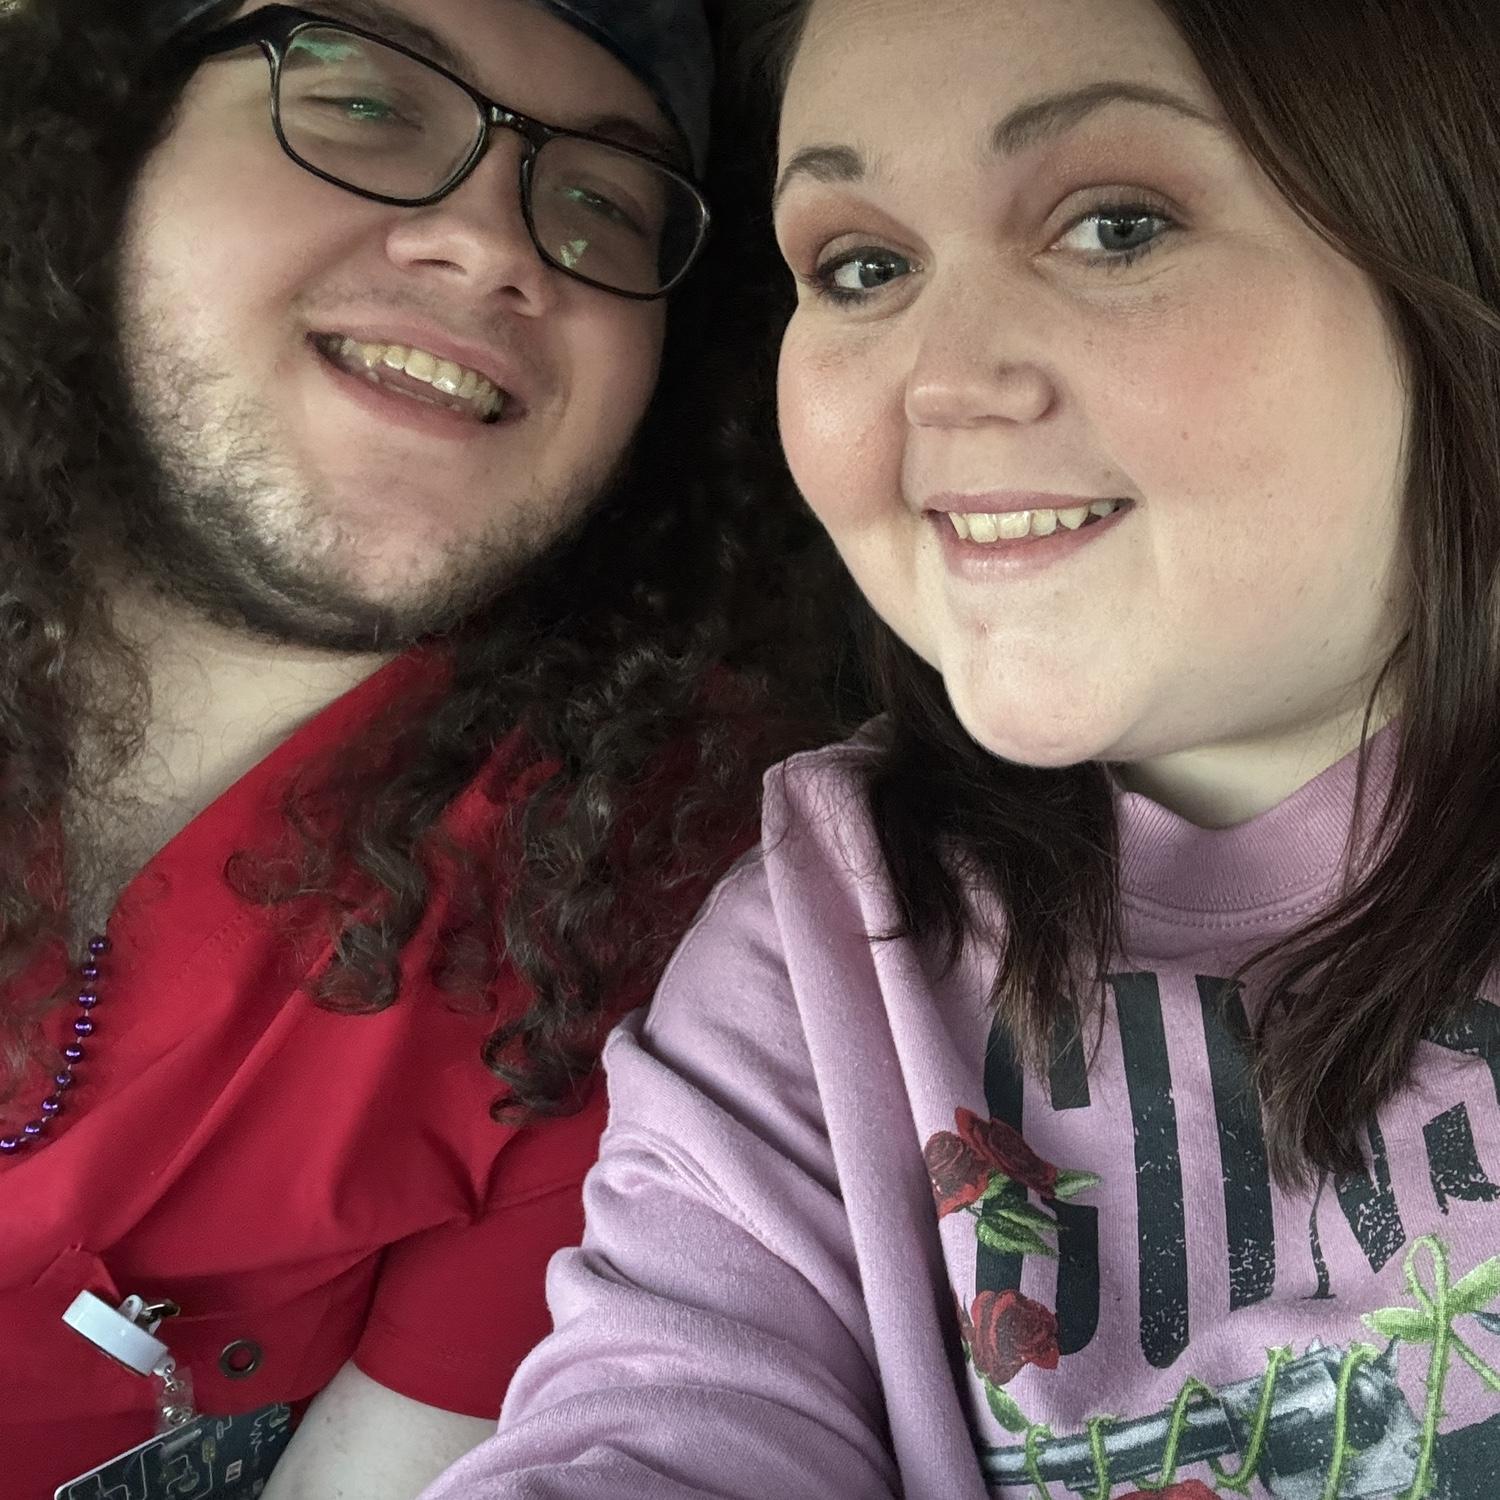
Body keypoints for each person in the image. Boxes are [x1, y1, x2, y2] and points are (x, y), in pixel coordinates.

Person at [417, 0, 1500, 1496]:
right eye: (863, 268)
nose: (936, 378)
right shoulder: (819, 952)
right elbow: (665, 1421)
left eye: (1115, 227)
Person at [0, 0, 833, 1493]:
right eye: (369, 107)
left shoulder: (641, 895)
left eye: (603, 203)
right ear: (108, 145)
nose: (495, 245)